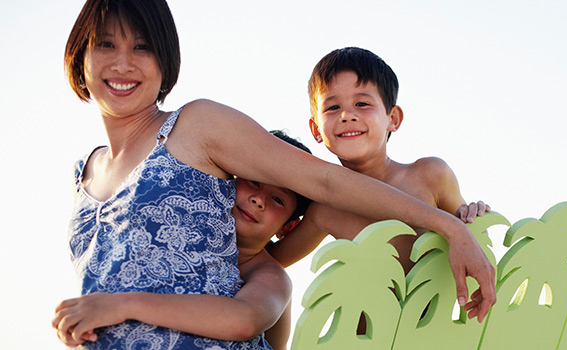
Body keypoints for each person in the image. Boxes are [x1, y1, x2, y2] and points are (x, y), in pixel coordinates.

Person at [56, 1, 495, 349]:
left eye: (143, 47)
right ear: (81, 54)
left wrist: (452, 227)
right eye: (106, 45)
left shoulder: (197, 125)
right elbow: (258, 254)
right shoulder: (84, 174)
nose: (123, 63)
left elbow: (321, 184)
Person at [267, 46, 491, 316]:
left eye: (362, 104)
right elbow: (270, 260)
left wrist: (473, 217)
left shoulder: (430, 176)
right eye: (333, 107)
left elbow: (472, 245)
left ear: (393, 119)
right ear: (316, 129)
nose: (346, 115)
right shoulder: (324, 209)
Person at [53, 131, 308, 350]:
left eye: (278, 200)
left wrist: (123, 305)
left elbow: (246, 320)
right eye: (254, 181)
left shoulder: (270, 275)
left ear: (287, 227)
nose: (258, 199)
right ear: (231, 176)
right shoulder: (172, 234)